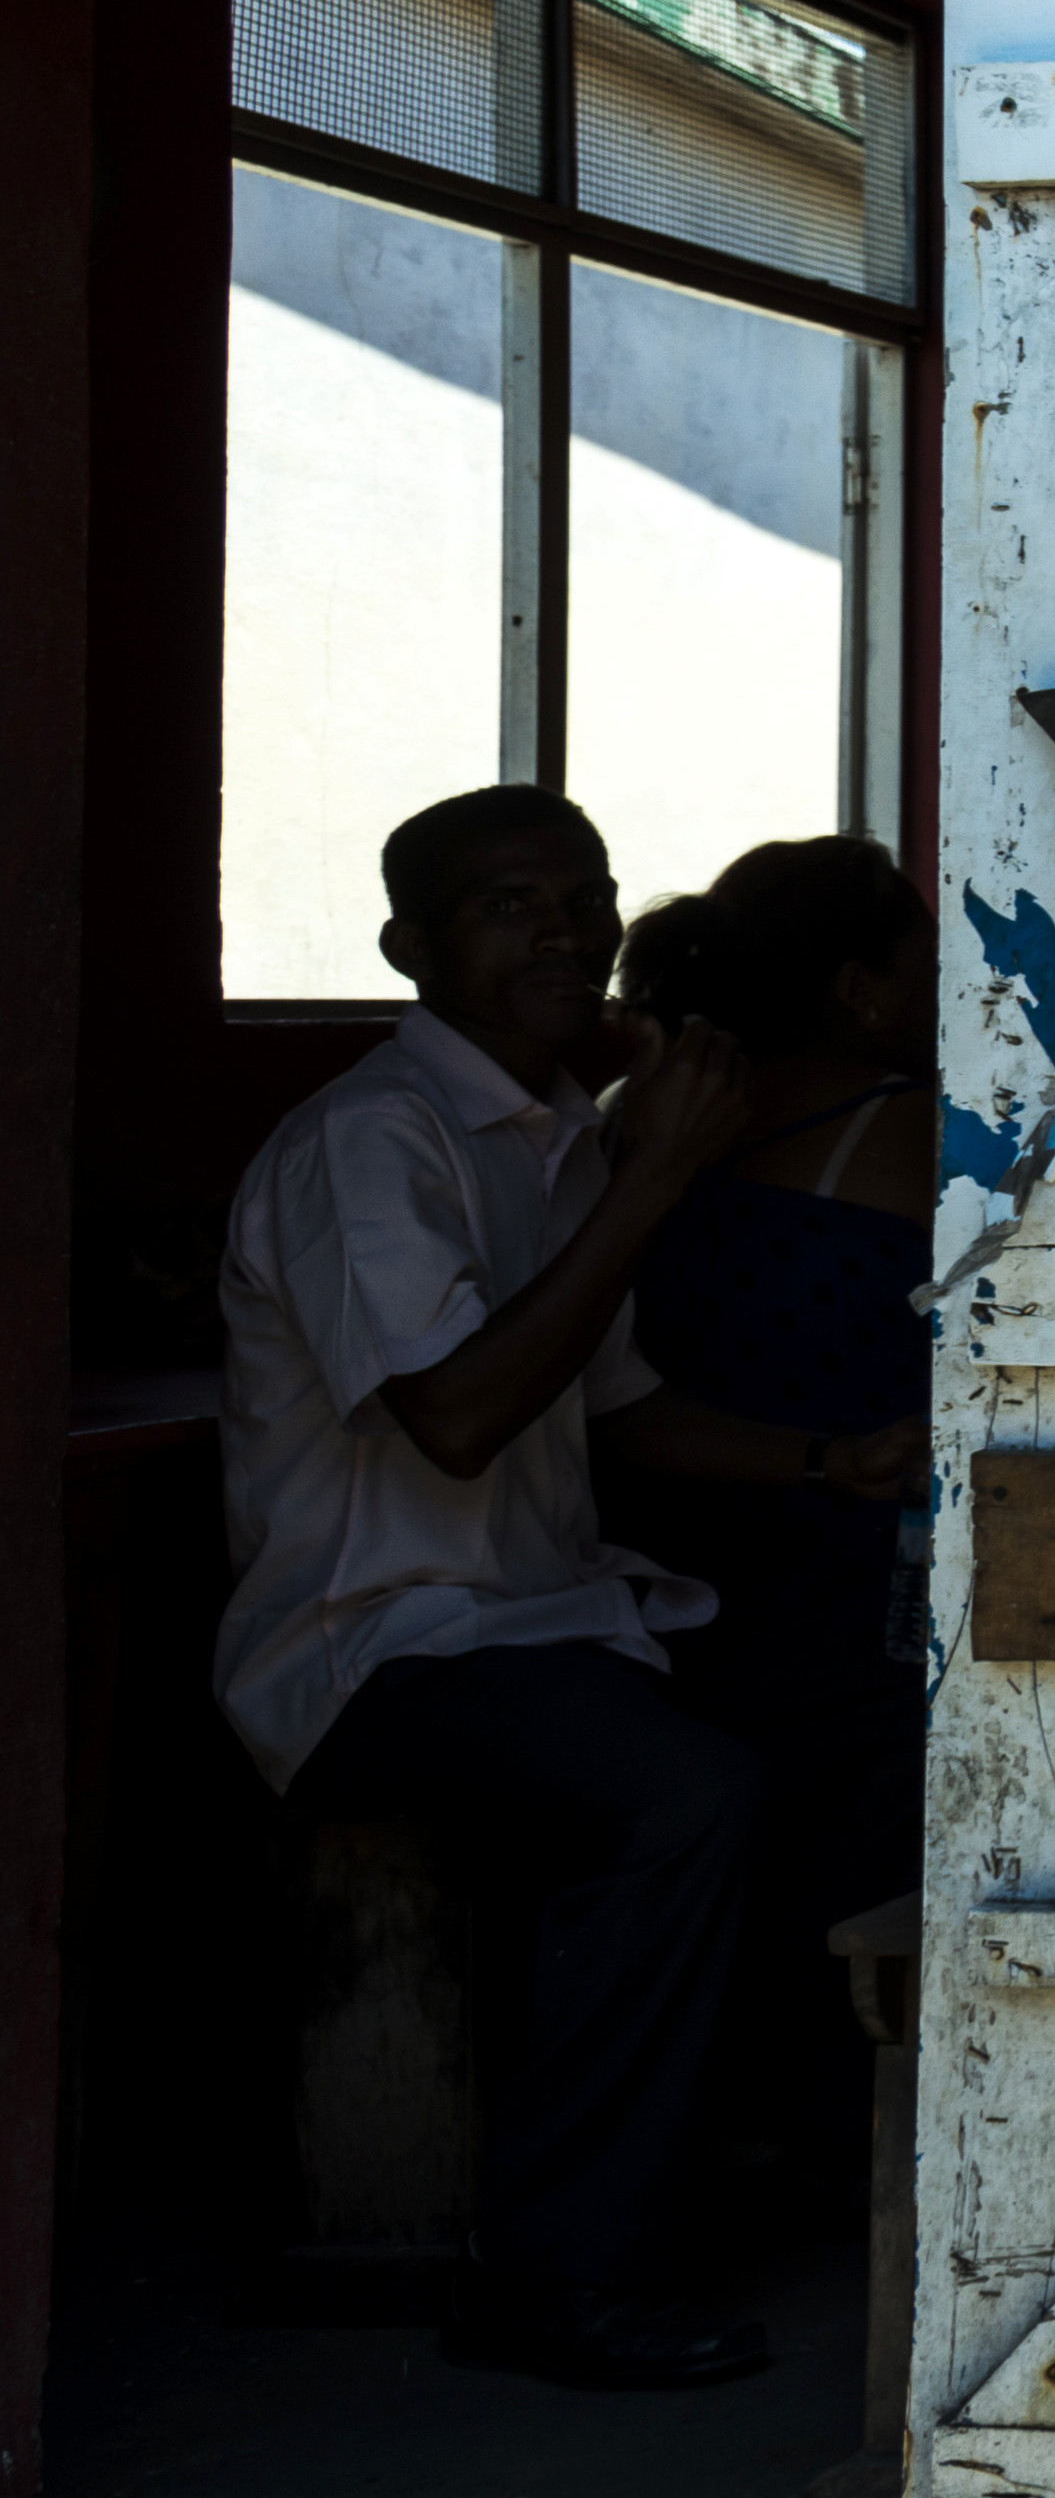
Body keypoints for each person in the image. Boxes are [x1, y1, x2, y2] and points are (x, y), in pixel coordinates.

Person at [207, 786, 887, 2388]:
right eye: (509, 905)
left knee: (853, 1708)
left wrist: (827, 1461)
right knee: (684, 1796)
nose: (563, 930)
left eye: (580, 897)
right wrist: (651, 1183)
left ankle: (746, 2143)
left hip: (547, 1621)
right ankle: (557, 2265)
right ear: (410, 949)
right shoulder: (372, 1146)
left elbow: (624, 1408)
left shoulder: (564, 1137)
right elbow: (452, 1418)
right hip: (377, 1649)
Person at [607, 838, 939, 2115]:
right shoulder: (904, 1130)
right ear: (861, 990)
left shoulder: (645, 1126)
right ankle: (825, 2117)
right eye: (928, 964)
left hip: (668, 1559)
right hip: (839, 1571)